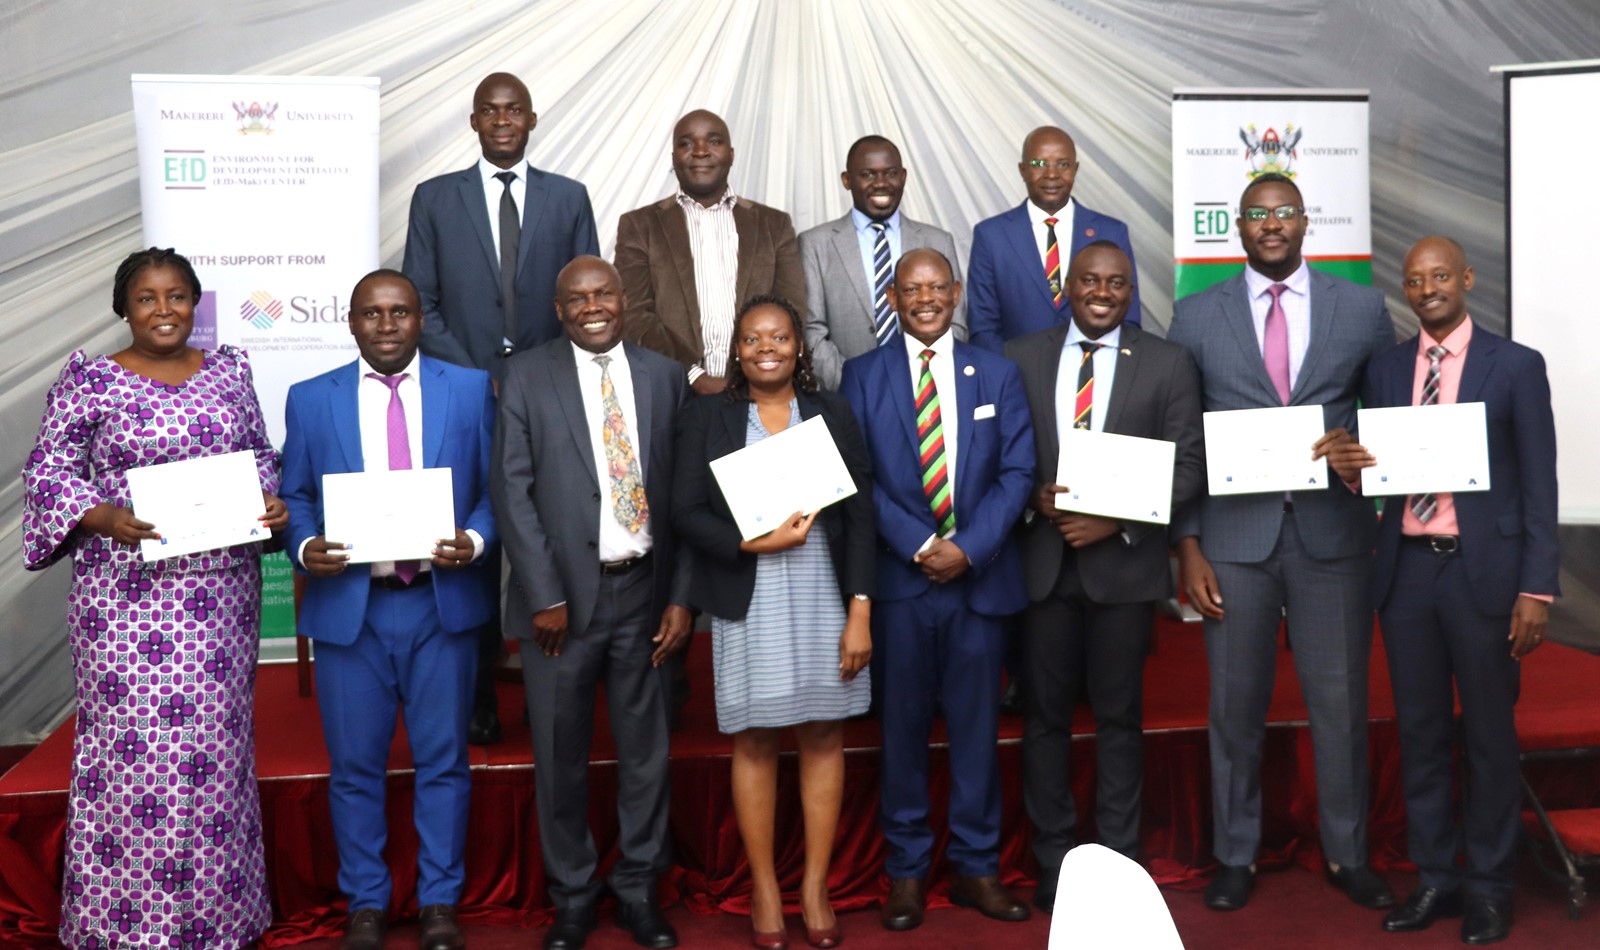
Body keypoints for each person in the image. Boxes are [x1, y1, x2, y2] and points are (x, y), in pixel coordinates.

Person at [22, 247, 286, 949]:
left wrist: (269, 499)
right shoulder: (90, 381)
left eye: (176, 297)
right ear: (125, 308)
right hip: (125, 601)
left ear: (195, 302)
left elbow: (259, 453)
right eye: (147, 298)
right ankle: (122, 924)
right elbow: (48, 468)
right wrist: (101, 516)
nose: (163, 310)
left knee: (215, 749)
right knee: (131, 752)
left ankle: (220, 918)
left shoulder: (230, 370)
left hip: (219, 594)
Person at [1167, 173, 1396, 912]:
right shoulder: (1195, 317)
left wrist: (1360, 452)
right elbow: (1184, 441)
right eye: (1258, 215)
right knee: (1234, 705)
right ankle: (1236, 853)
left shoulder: (1360, 309)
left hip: (1331, 533)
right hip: (1234, 542)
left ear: (1306, 223)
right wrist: (1189, 544)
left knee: (1340, 703)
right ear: (1237, 226)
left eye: (1285, 213)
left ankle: (1348, 851)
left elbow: (1393, 419)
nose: (1272, 225)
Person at [1322, 236, 1558, 945]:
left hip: (1484, 575)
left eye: (1440, 276)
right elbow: (1378, 475)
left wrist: (1538, 589)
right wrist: (1346, 465)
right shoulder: (1388, 369)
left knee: (1488, 736)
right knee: (1421, 734)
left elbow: (1541, 484)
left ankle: (1489, 886)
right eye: (1415, 280)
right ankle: (1436, 878)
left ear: (1467, 279)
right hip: (1407, 574)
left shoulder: (1515, 367)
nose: (1427, 289)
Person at [280, 270, 498, 950]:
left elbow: (494, 489)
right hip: (353, 610)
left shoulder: (466, 389)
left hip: (440, 604)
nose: (386, 325)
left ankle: (438, 901)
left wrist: (478, 538)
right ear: (351, 322)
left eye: (399, 312)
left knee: (444, 763)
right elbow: (296, 496)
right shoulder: (312, 399)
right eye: (372, 313)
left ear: (418, 320)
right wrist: (306, 543)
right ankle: (367, 902)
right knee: (354, 768)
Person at [491, 257, 691, 950]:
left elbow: (687, 499)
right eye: (576, 297)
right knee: (560, 755)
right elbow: (511, 492)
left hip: (645, 591)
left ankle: (638, 889)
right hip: (560, 608)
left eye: (603, 292)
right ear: (558, 309)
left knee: (646, 755)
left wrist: (680, 599)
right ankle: (573, 894)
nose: (592, 306)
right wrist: (544, 593)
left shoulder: (667, 377)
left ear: (624, 298)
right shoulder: (524, 375)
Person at [1004, 242, 1205, 911]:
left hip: (1122, 567)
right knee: (1045, 721)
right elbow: (1005, 457)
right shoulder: (1020, 356)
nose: (1102, 291)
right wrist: (1032, 496)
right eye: (1089, 280)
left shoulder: (1168, 362)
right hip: (1044, 565)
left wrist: (1114, 522)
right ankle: (1055, 860)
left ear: (1129, 290)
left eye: (1116, 283)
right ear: (1067, 285)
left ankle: (1118, 861)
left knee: (1120, 718)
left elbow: (1186, 467)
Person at [840, 248, 1035, 931]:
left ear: (954, 293)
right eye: (910, 288)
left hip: (979, 584)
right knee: (902, 733)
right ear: (892, 297)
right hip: (901, 583)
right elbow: (855, 478)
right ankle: (906, 873)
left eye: (937, 287)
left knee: (978, 732)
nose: (925, 299)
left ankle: (979, 868)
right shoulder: (861, 376)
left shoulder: (999, 371)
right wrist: (922, 546)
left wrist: (969, 547)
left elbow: (1018, 471)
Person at [403, 71, 599, 744]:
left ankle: (568, 682)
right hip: (467, 395)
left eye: (515, 109)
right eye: (492, 110)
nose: (504, 119)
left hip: (553, 394)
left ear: (533, 118)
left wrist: (535, 376)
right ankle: (481, 693)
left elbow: (589, 298)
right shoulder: (434, 199)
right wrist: (478, 374)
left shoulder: (569, 198)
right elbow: (420, 302)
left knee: (558, 527)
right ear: (474, 121)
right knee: (478, 540)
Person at [672, 296, 874, 949]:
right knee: (755, 740)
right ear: (737, 349)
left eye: (780, 337)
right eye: (754, 338)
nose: (768, 347)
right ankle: (764, 886)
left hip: (824, 595)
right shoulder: (709, 416)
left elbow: (863, 519)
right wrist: (747, 544)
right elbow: (683, 512)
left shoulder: (832, 412)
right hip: (748, 598)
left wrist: (861, 613)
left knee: (822, 735)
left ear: (798, 348)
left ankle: (813, 885)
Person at [618, 110, 806, 394]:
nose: (701, 151)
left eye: (713, 142)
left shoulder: (774, 225)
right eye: (687, 144)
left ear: (731, 154)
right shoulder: (639, 226)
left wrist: (753, 374)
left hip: (759, 392)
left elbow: (790, 311)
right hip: (673, 392)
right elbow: (634, 315)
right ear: (673, 158)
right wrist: (692, 375)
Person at [799, 134, 966, 389]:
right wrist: (859, 387)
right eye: (867, 174)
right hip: (848, 396)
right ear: (847, 180)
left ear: (903, 177)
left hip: (927, 390)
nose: (881, 183)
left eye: (890, 173)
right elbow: (812, 332)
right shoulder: (815, 244)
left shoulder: (938, 241)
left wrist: (923, 380)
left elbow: (956, 324)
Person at [967, 125, 1142, 352]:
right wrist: (1011, 378)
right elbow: (983, 328)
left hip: (1095, 375)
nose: (1051, 174)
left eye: (1063, 164)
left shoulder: (1112, 232)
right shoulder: (991, 236)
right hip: (1017, 379)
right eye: (1039, 164)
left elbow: (1129, 319)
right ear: (1022, 170)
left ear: (1075, 169)